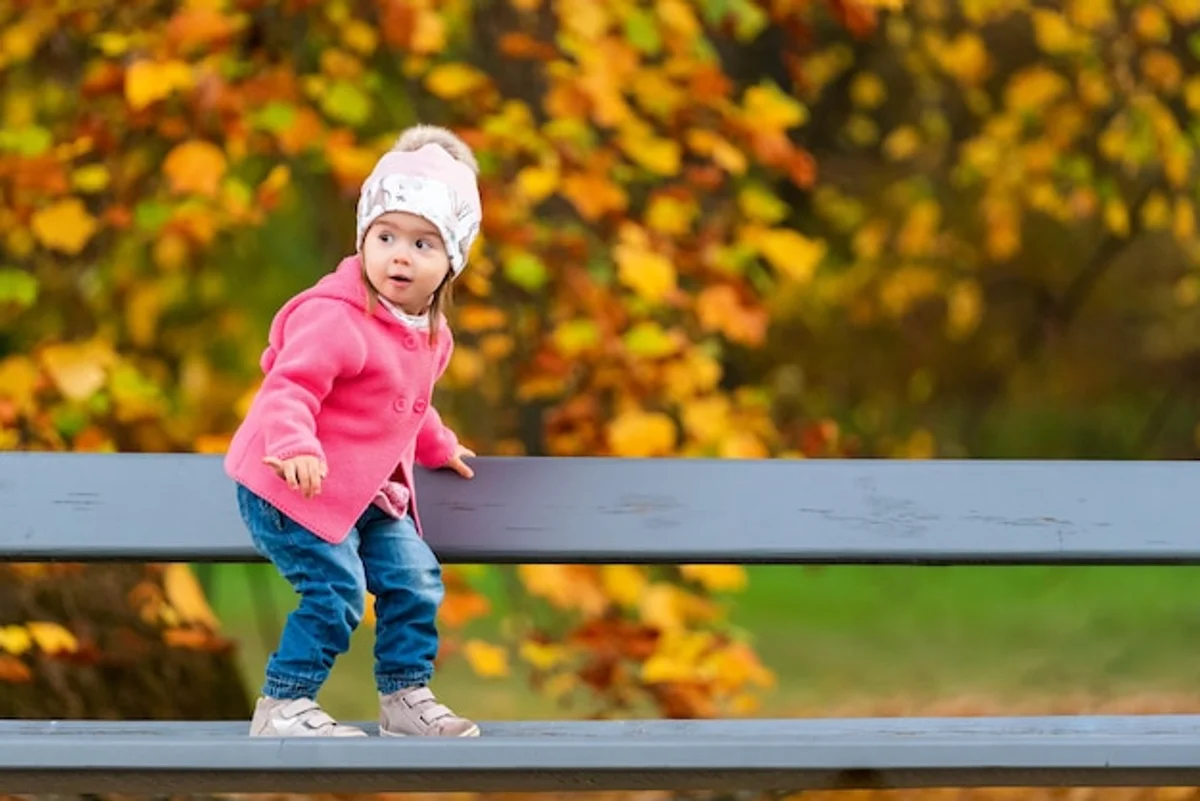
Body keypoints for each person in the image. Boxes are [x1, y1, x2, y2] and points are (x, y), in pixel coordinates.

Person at [223, 124, 483, 738]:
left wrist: (439, 446)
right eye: (386, 236)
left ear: (451, 263)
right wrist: (292, 446)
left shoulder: (430, 333)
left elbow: (405, 405)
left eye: (423, 244)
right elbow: (288, 388)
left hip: (365, 496)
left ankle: (404, 695)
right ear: (362, 239)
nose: (400, 255)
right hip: (292, 488)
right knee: (336, 591)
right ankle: (283, 704)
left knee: (415, 580)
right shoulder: (335, 318)